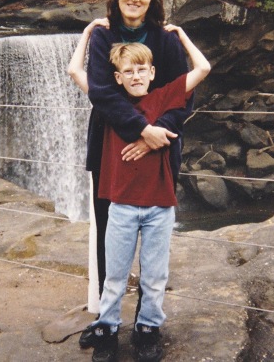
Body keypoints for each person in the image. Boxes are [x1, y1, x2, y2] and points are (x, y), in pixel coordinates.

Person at [69, 27, 210, 362]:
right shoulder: (110, 106)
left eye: (141, 70)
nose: (135, 77)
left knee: (155, 275)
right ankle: (108, 329)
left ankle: (147, 328)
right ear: (117, 78)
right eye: (127, 72)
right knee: (115, 276)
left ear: (152, 73)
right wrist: (89, 32)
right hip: (121, 207)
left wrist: (181, 34)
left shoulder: (164, 97)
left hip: (160, 207)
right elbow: (75, 70)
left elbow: (203, 69)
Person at [76, 0, 193, 352]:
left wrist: (153, 136)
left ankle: (147, 326)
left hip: (159, 149)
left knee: (155, 248)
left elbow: (183, 96)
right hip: (111, 146)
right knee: (110, 233)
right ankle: (108, 322)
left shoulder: (166, 40)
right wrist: (140, 131)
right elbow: (102, 93)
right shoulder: (102, 36)